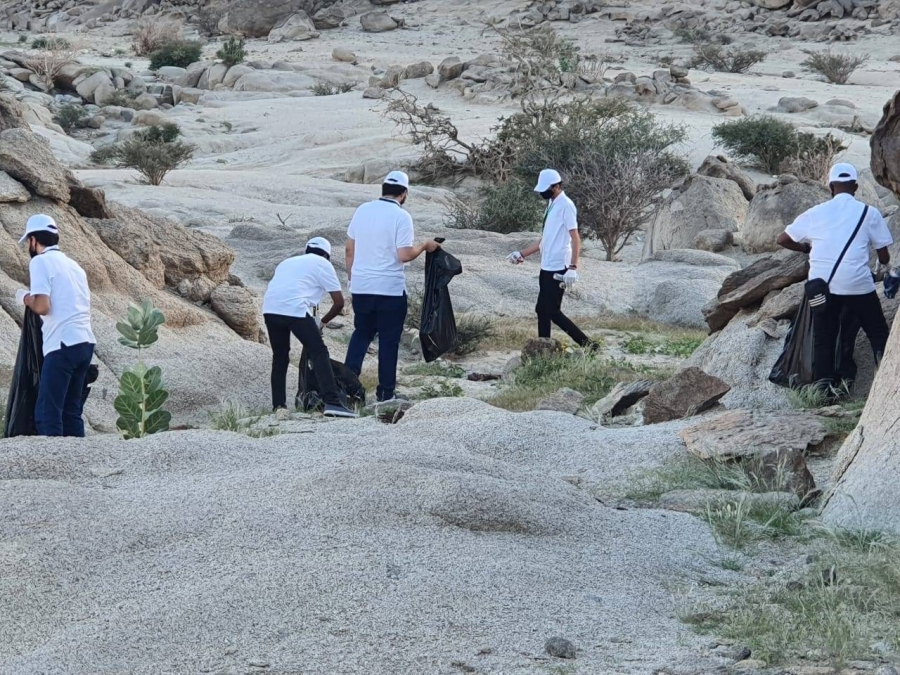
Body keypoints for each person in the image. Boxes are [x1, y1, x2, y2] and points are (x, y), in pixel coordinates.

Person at [777, 162, 893, 389]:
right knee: (877, 331)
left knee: (824, 336)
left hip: (822, 286)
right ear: (856, 187)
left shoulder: (815, 213)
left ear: (831, 187)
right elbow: (883, 253)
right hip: (857, 285)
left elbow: (782, 239)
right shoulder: (869, 213)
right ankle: (886, 379)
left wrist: (805, 248)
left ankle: (823, 386)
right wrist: (886, 267)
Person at [344, 171, 440, 403]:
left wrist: (352, 279)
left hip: (362, 286)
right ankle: (386, 393)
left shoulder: (362, 210)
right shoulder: (401, 216)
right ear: (404, 193)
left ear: (383, 188)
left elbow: (349, 249)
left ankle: (346, 386)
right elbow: (404, 255)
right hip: (389, 289)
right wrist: (424, 245)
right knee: (388, 341)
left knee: (361, 334)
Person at [16, 214, 97, 437]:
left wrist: (25, 297)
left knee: (47, 413)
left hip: (62, 344)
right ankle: (77, 456)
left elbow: (42, 306)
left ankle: (53, 459)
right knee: (71, 411)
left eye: (28, 242)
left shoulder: (40, 262)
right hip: (85, 343)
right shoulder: (74, 266)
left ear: (34, 240)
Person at [262, 237, 357, 418]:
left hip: (270, 308)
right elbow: (338, 303)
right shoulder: (323, 264)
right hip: (295, 309)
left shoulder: (286, 262)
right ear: (326, 255)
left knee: (280, 357)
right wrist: (322, 323)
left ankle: (279, 406)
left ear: (307, 250)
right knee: (319, 352)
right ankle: (333, 403)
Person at [507, 169, 596, 349]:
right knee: (542, 310)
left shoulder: (566, 205)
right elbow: (546, 239)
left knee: (552, 311)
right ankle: (544, 347)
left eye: (545, 189)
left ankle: (588, 345)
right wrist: (522, 254)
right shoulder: (551, 203)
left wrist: (573, 267)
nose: (542, 193)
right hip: (547, 265)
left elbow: (575, 238)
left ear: (556, 186)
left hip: (559, 266)